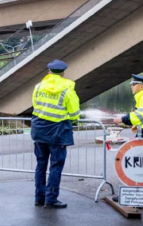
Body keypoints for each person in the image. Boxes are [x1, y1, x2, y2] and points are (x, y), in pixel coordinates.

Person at [31, 59, 80, 209]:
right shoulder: (67, 89)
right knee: (56, 166)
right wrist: (72, 120)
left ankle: (39, 197)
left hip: (39, 129)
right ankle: (51, 198)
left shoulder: (38, 87)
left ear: (49, 72)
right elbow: (74, 114)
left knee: (41, 164)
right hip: (58, 132)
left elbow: (36, 105)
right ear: (63, 73)